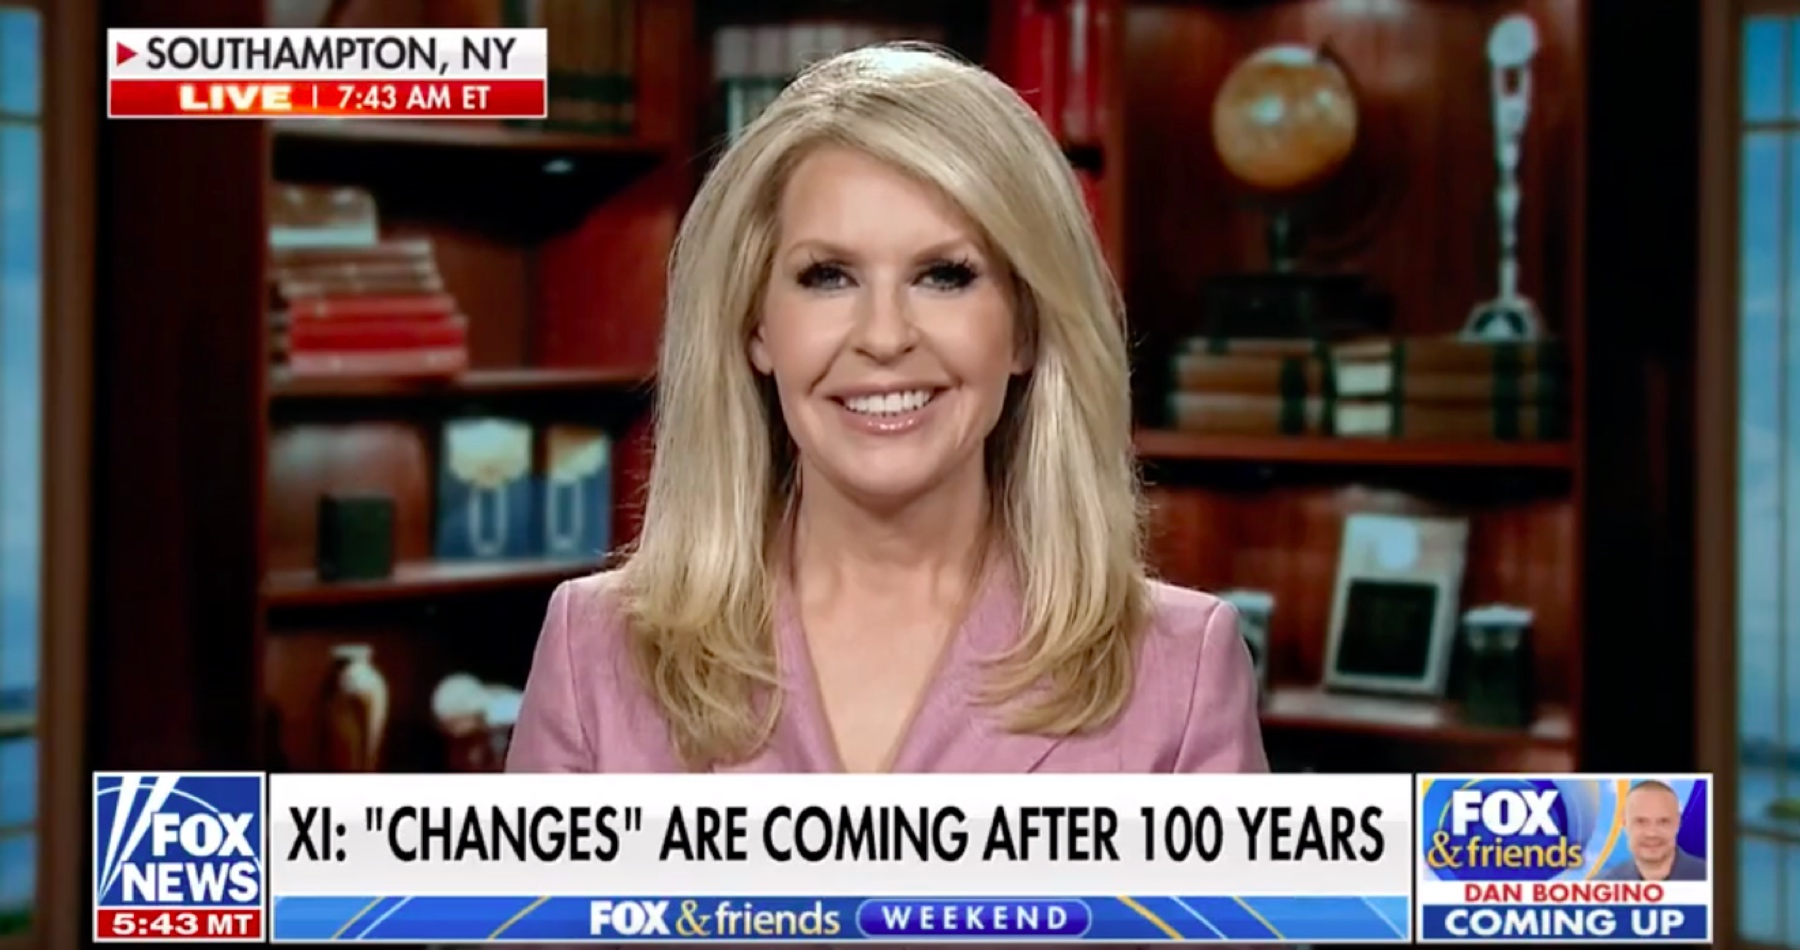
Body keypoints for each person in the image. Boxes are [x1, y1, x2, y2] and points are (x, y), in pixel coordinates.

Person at [507, 44, 1267, 775]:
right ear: (756, 325)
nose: (883, 336)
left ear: (1026, 327)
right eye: (828, 276)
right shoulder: (593, 653)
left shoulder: (1181, 671)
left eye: (944, 275)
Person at [1598, 780, 1707, 881]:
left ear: (1678, 823)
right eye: (1641, 822)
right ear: (1624, 823)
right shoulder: (1598, 886)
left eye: (1663, 821)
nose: (1652, 833)